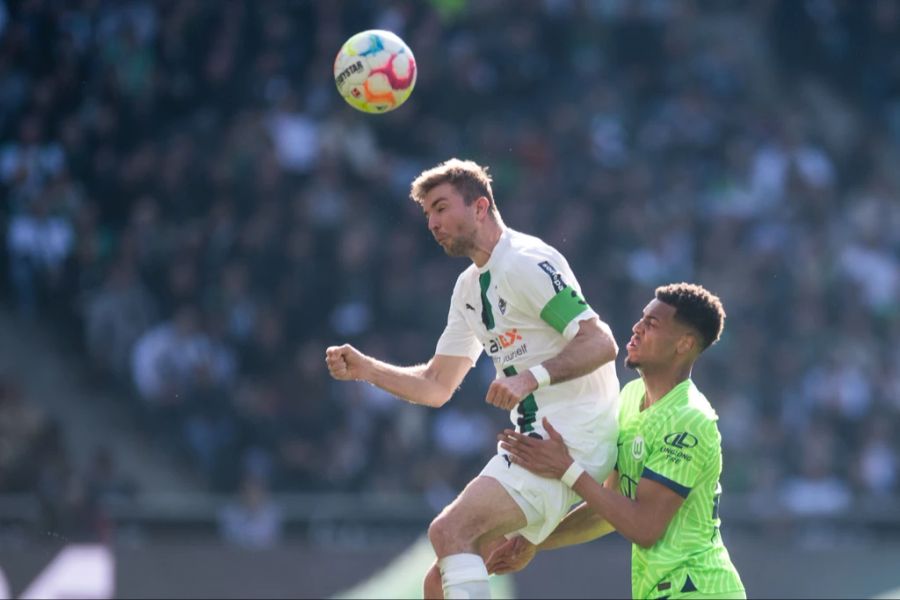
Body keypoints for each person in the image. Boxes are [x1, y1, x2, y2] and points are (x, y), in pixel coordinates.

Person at [325, 158, 620, 599]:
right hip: (534, 437)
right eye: (427, 214)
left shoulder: (526, 261)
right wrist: (367, 368)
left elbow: (600, 342)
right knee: (439, 583)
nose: (432, 223)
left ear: (481, 207)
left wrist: (530, 379)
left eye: (441, 208)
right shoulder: (469, 289)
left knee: (449, 530)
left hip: (571, 435)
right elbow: (437, 385)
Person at [489, 283, 746, 599]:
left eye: (651, 324)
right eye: (641, 318)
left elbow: (644, 528)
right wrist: (534, 541)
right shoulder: (630, 397)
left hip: (698, 588)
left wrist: (565, 468)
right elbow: (605, 511)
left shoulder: (688, 418)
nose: (637, 328)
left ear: (684, 344)